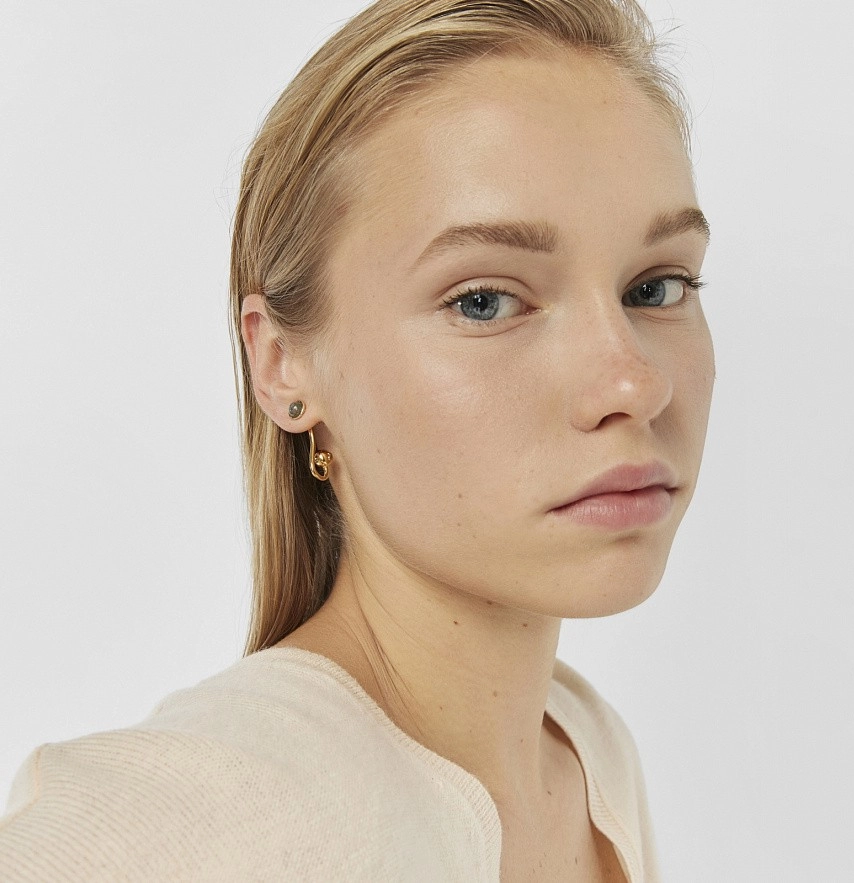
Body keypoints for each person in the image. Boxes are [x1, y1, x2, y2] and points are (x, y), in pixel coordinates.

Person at [0, 0, 713, 879]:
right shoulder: (181, 818)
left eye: (656, 286)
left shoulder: (584, 749)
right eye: (484, 300)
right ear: (282, 363)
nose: (634, 384)